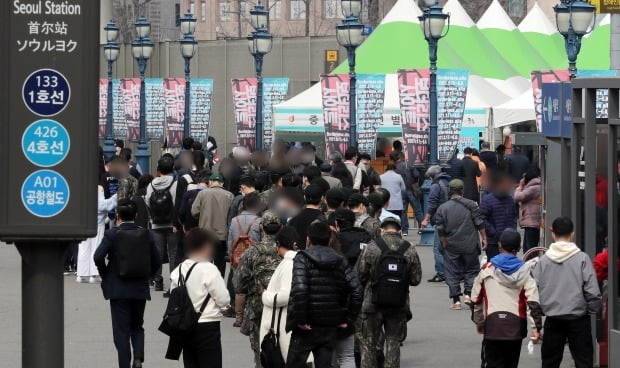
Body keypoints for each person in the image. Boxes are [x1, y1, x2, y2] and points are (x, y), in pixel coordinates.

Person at [93, 199, 161, 368]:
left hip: (118, 288)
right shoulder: (146, 234)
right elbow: (157, 261)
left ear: (117, 216)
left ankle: (124, 364)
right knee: (137, 325)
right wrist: (148, 275)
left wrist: (106, 274)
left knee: (121, 331)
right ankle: (138, 358)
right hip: (139, 288)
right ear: (136, 215)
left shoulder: (112, 234)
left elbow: (98, 257)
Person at [285, 221, 363, 368]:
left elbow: (300, 289)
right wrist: (348, 317)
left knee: (294, 362)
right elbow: (357, 289)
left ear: (308, 239)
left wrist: (301, 319)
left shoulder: (302, 258)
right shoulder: (340, 260)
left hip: (306, 323)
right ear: (329, 240)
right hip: (330, 323)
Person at [532, 217, 602, 368]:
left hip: (552, 319)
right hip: (578, 318)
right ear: (572, 235)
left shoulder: (543, 261)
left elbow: (533, 291)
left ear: (553, 235)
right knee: (584, 361)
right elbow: (593, 291)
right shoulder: (582, 258)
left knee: (550, 362)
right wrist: (591, 310)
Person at [470, 229, 542, 368]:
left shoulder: (487, 269)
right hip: (515, 328)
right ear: (519, 248)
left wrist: (479, 322)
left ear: (499, 245)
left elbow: (476, 299)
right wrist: (536, 328)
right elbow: (532, 302)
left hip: (493, 327)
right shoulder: (526, 272)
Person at [356, 217, 422, 368]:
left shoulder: (372, 246)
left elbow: (360, 274)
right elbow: (416, 279)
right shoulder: (409, 249)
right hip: (398, 303)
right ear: (399, 230)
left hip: (372, 302)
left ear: (381, 229)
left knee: (369, 342)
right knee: (393, 342)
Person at [167, 229, 231, 368]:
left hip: (186, 326)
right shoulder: (209, 269)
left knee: (191, 363)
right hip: (207, 324)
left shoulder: (179, 269)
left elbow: (174, 295)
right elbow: (223, 299)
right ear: (205, 246)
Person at [233, 211, 283, 368]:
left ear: (262, 228)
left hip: (258, 307)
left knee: (260, 351)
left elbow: (238, 284)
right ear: (280, 227)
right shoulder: (286, 251)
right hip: (283, 307)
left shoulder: (251, 252)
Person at [435, 179, 487, 310]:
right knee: (471, 270)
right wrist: (484, 238)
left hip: (451, 244)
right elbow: (479, 222)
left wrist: (443, 241)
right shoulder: (472, 205)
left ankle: (456, 301)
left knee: (452, 272)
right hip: (469, 244)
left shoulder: (443, 208)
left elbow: (440, 227)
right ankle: (468, 294)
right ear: (462, 190)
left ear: (450, 191)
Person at [259, 227, 308, 364]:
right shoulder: (298, 261)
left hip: (282, 324)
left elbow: (285, 296)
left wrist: (266, 296)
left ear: (279, 244)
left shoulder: (288, 264)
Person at [227, 192, 263, 326]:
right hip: (253, 256)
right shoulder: (259, 221)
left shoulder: (234, 220)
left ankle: (239, 317)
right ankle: (252, 316)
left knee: (239, 289)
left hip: (238, 258)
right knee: (253, 286)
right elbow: (260, 240)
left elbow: (230, 241)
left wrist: (231, 255)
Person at [145, 156, 179, 292]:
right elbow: (177, 202)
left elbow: (147, 201)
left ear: (158, 169)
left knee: (158, 253)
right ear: (172, 169)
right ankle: (173, 282)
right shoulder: (175, 184)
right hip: (172, 224)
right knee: (173, 254)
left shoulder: (151, 184)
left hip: (156, 224)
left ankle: (158, 281)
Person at [191, 173, 235, 277]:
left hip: (206, 235)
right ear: (222, 183)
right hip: (222, 236)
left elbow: (194, 212)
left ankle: (206, 288)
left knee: (205, 263)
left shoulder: (202, 194)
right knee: (220, 264)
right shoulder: (229, 195)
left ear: (210, 182)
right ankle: (218, 286)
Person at [77, 186, 117, 283]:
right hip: (97, 226)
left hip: (83, 225)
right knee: (95, 248)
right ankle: (94, 275)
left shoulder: (83, 197)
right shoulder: (98, 198)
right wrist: (116, 196)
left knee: (83, 250)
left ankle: (82, 275)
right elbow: (106, 205)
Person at [420, 165, 450, 283]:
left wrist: (426, 219)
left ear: (431, 176)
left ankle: (441, 273)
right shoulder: (448, 182)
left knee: (438, 247)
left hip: (440, 219)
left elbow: (432, 205)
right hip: (452, 218)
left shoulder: (435, 186)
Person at [480, 172, 517, 259]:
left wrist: (513, 231)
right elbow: (482, 218)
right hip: (493, 242)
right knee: (494, 267)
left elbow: (514, 217)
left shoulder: (510, 200)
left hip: (509, 241)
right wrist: (494, 233)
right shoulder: (488, 200)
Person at [392, 151, 424, 235]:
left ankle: (405, 230)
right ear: (400, 157)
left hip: (401, 190)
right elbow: (417, 175)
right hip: (412, 189)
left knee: (403, 211)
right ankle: (422, 227)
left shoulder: (395, 168)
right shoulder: (408, 165)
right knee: (417, 210)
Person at [513, 165, 542, 252]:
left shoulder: (533, 187)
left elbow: (518, 197)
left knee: (530, 249)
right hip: (532, 221)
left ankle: (531, 265)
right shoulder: (536, 186)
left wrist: (520, 187)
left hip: (532, 222)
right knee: (527, 248)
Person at [287, 184, 326, 249]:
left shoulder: (293, 219)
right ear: (322, 198)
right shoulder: (324, 219)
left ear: (304, 197)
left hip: (298, 256)